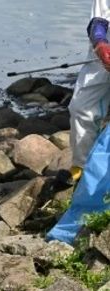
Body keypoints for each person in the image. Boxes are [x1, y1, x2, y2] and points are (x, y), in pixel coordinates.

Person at [65, 0, 110, 187]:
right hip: (102, 55)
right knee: (80, 108)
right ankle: (82, 168)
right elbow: (97, 22)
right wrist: (100, 45)